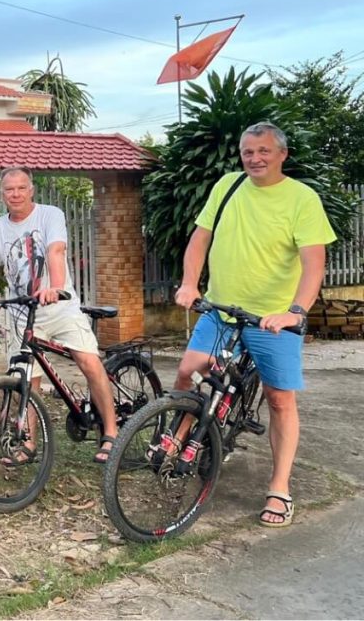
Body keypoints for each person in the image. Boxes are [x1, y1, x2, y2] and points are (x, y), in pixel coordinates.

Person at [173, 122, 335, 527]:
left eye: (263, 151)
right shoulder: (227, 185)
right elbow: (200, 238)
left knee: (279, 398)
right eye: (248, 151)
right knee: (188, 369)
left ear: (282, 154)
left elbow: (314, 263)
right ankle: (176, 439)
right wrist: (190, 283)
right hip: (221, 309)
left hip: (274, 319)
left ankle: (279, 487)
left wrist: (296, 311)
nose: (255, 158)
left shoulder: (302, 199)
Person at [0, 167, 118, 464]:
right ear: (2, 194)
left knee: (90, 363)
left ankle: (111, 432)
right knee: (28, 379)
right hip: (22, 313)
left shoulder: (50, 214)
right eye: (9, 190)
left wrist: (55, 287)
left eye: (20, 188)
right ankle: (28, 444)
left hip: (60, 307)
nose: (15, 194)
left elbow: (55, 250)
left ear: (31, 190)